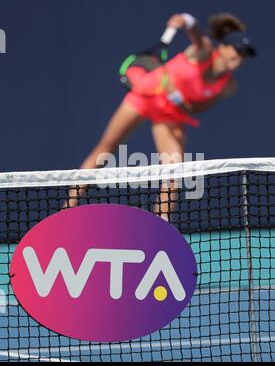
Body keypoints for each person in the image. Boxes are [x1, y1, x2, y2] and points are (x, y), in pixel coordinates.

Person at [67, 12, 256, 220]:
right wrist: (186, 20)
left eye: (244, 54)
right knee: (106, 148)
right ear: (223, 48)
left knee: (174, 171)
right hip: (147, 94)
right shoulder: (204, 51)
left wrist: (177, 98)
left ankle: (160, 224)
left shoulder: (228, 86)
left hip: (171, 113)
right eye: (237, 51)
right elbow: (194, 33)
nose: (240, 58)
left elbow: (194, 110)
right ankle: (68, 208)